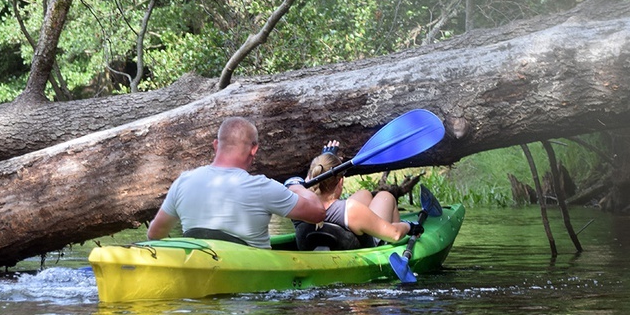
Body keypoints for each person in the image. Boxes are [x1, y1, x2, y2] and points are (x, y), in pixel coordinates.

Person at [147, 117, 325, 248]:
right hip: (252, 289)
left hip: (199, 270)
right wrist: (297, 186)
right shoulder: (263, 187)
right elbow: (318, 214)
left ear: (216, 145)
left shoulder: (183, 181)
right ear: (254, 149)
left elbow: (155, 234)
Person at [300, 141, 423, 248]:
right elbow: (395, 234)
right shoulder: (351, 210)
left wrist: (325, 159)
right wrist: (408, 226)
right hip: (365, 245)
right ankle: (391, 247)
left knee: (364, 194)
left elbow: (307, 181)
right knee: (385, 197)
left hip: (329, 235)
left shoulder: (297, 202)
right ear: (341, 181)